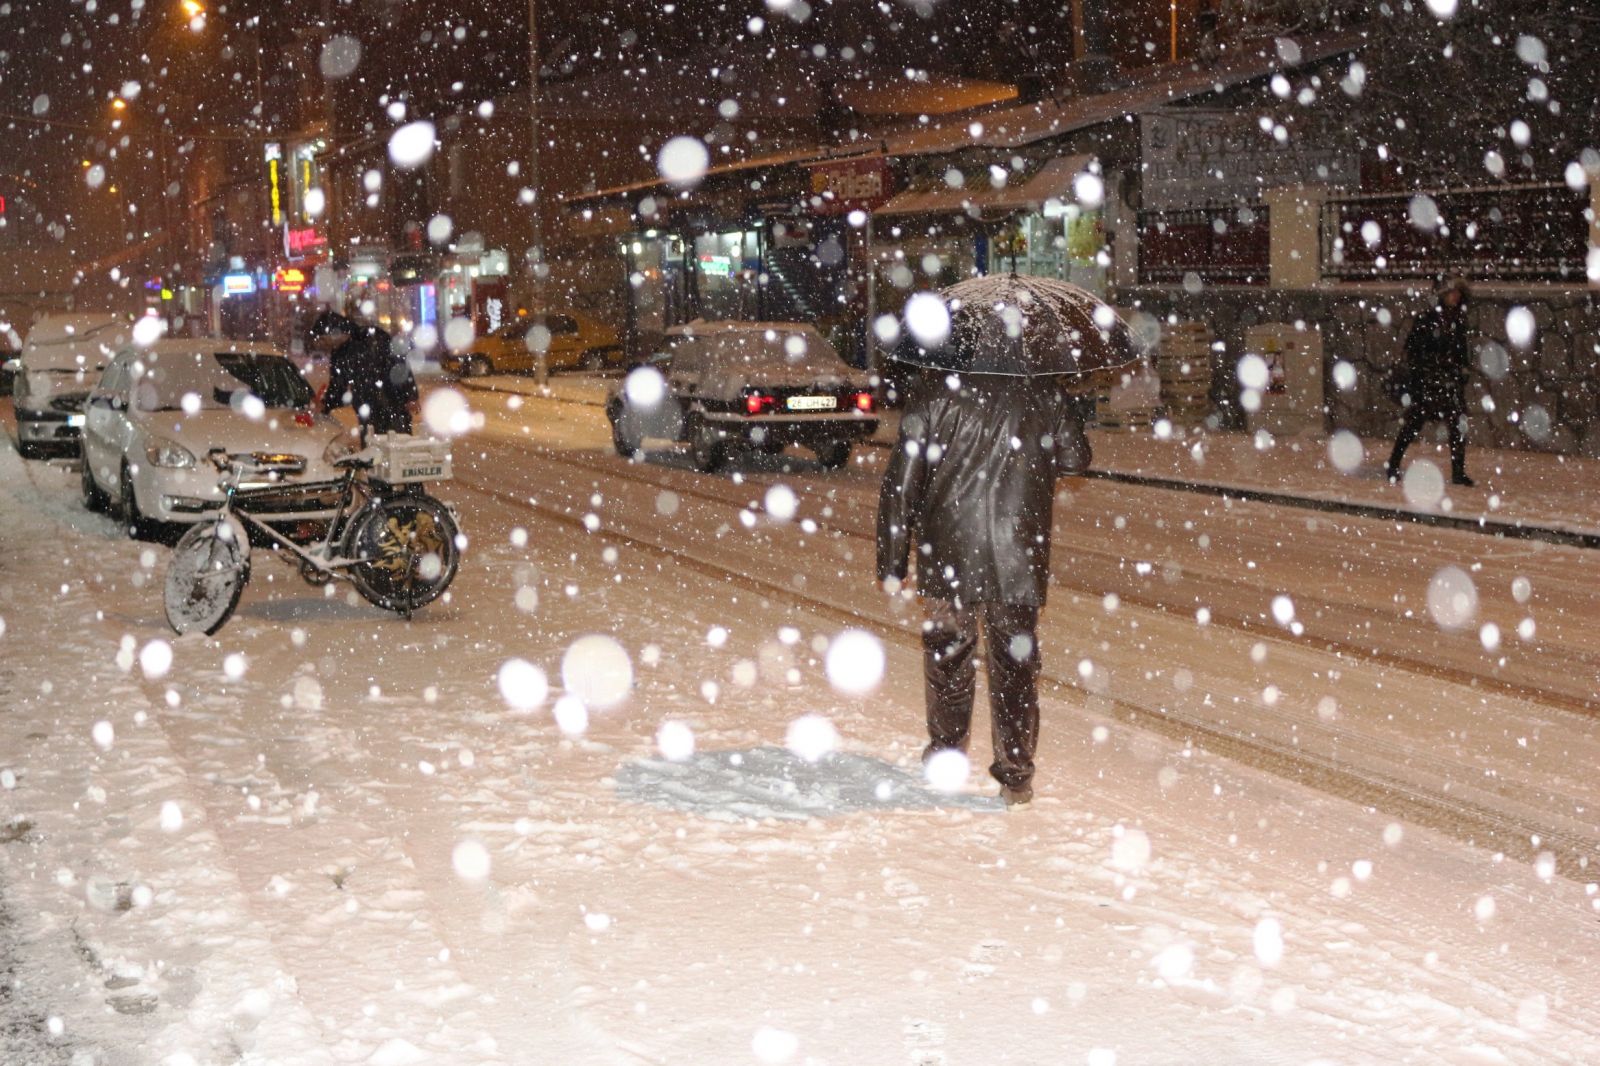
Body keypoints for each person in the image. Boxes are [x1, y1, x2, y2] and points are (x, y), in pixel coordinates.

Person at [876, 369, 1080, 810]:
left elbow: (901, 484)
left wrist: (892, 559)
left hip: (949, 549)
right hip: (1016, 553)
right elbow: (1076, 458)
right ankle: (1016, 776)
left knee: (949, 656)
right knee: (1015, 666)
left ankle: (947, 755)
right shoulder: (1043, 390)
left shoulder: (932, 391)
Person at [1386, 278, 1474, 487]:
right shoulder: (1427, 319)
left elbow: (1461, 351)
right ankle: (1393, 464)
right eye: (1452, 292)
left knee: (1457, 426)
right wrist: (1428, 369)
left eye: (1458, 293)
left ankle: (1458, 472)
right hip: (1429, 383)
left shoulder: (1458, 320)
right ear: (1442, 295)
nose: (1456, 296)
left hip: (1450, 383)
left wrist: (1462, 370)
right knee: (1413, 425)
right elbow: (1414, 352)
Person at [306, 310, 418, 435]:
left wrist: (411, 395)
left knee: (398, 445)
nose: (322, 344)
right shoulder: (338, 355)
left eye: (323, 338)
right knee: (371, 448)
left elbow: (399, 364)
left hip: (394, 403)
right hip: (366, 410)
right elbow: (338, 388)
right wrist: (325, 405)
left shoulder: (372, 337)